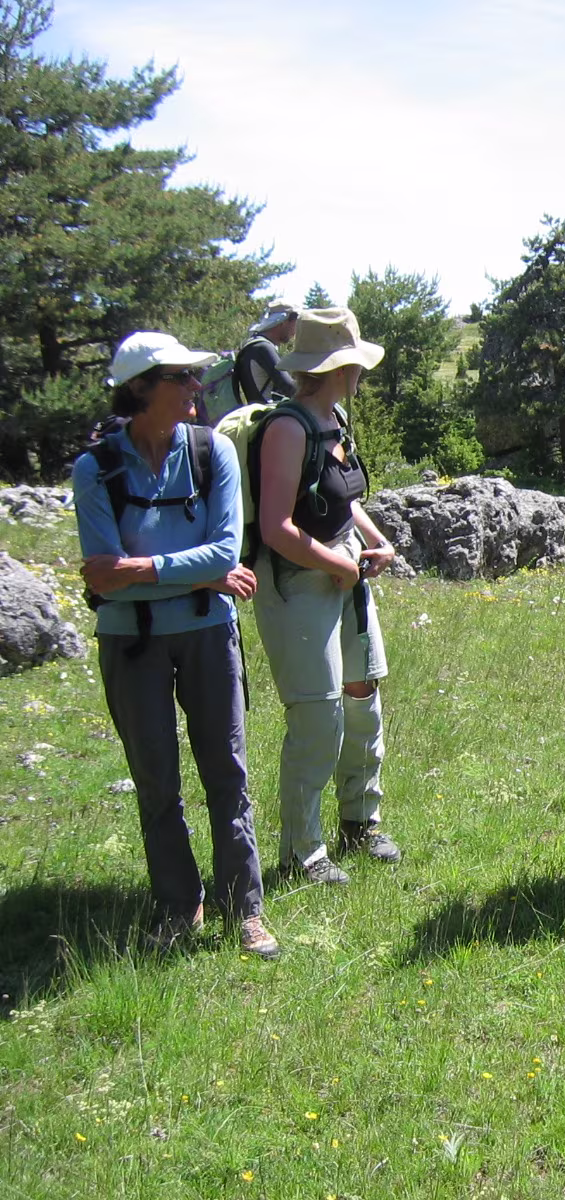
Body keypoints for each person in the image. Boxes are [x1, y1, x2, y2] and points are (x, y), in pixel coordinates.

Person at [73, 332, 277, 958]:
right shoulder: (96, 469)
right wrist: (201, 575)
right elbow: (101, 578)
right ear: (140, 388)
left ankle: (245, 908)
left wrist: (141, 569)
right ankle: (178, 905)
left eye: (194, 375)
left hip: (207, 632)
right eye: (180, 376)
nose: (196, 386)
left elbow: (224, 552)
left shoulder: (212, 451)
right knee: (156, 778)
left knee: (228, 772)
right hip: (131, 643)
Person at [251, 308, 400, 885]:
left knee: (362, 695)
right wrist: (338, 563)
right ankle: (303, 851)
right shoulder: (288, 429)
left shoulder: (333, 419)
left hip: (344, 571)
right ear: (340, 368)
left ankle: (361, 821)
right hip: (298, 583)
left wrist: (376, 540)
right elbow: (275, 527)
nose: (360, 373)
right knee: (319, 714)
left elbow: (342, 498)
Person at [235, 303, 298, 408]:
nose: (295, 332)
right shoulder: (263, 348)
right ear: (283, 322)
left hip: (256, 412)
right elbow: (289, 387)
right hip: (266, 412)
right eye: (295, 324)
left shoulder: (254, 344)